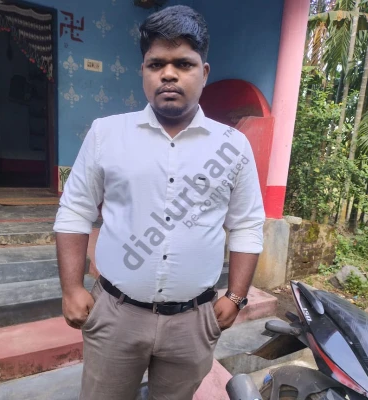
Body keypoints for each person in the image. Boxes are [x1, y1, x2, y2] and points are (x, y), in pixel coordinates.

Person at [54, 5, 265, 400]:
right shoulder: (106, 134)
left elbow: (247, 225)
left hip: (194, 323)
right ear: (143, 71)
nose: (169, 74)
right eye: (156, 64)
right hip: (115, 315)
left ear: (204, 72)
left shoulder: (233, 147)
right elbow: (75, 211)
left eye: (183, 63)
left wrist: (236, 297)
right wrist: (71, 288)